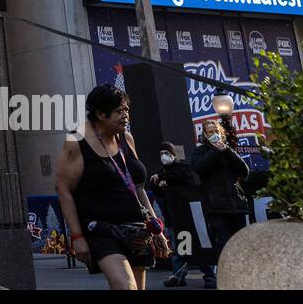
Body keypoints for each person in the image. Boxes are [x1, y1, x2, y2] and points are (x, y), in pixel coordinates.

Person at [55, 85, 170, 290]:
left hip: (137, 230)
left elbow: (138, 188)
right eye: (119, 111)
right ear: (100, 114)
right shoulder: (77, 141)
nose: (126, 116)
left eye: (127, 110)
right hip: (102, 230)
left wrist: (156, 230)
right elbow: (63, 190)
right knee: (126, 287)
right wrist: (77, 237)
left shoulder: (126, 138)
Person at [149, 142, 215, 287]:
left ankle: (210, 276)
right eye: (161, 154)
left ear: (173, 154)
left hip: (191, 216)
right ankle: (178, 275)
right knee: (180, 248)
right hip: (174, 217)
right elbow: (158, 192)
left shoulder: (183, 168)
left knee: (199, 246)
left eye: (166, 153)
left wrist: (162, 177)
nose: (164, 156)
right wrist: (157, 184)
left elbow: (185, 178)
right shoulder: (160, 174)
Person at [193, 118, 251, 283]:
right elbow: (198, 168)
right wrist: (214, 151)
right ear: (205, 135)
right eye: (210, 132)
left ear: (221, 133)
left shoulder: (228, 150)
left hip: (237, 205)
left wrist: (227, 151)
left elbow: (244, 170)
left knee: (240, 243)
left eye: (216, 131)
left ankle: (243, 276)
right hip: (217, 207)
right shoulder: (200, 152)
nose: (213, 134)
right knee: (224, 244)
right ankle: (226, 278)